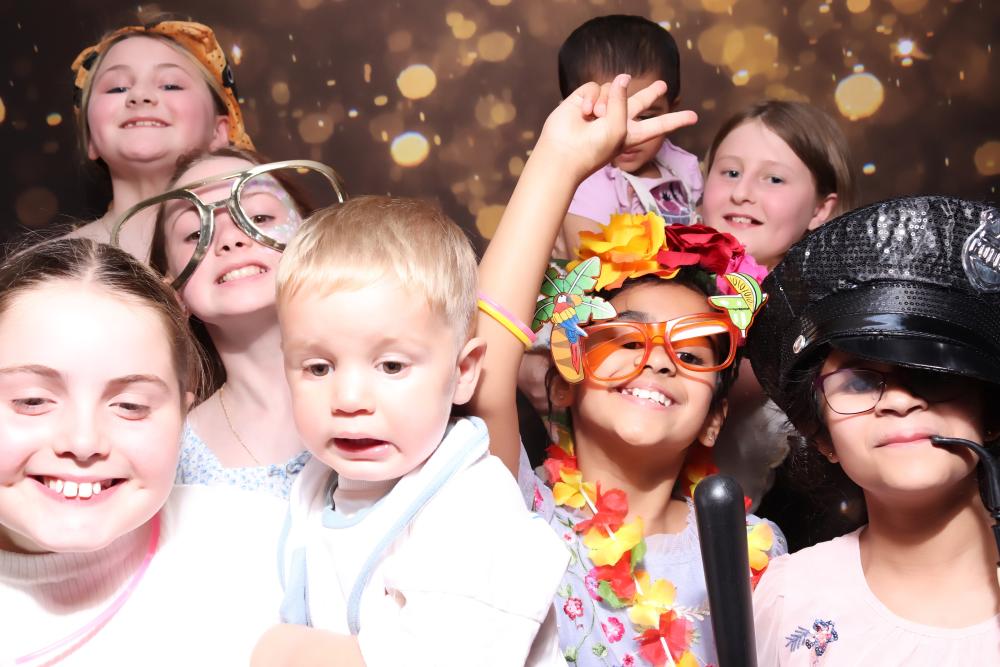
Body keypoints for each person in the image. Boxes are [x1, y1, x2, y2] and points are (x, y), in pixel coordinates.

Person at [474, 74, 786, 666]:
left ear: (714, 418)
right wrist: (557, 162)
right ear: (564, 381)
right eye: (625, 338)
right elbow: (484, 357)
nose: (660, 359)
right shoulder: (518, 510)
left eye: (691, 354)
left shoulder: (759, 550)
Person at [250, 196, 570, 666]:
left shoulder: (475, 506)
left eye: (392, 366)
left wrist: (278, 651)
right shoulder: (314, 488)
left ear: (463, 372)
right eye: (318, 367)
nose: (349, 399)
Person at [0, 238, 285, 664]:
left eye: (130, 406)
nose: (83, 442)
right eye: (32, 401)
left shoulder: (273, 546)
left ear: (182, 417)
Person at [748, 196, 1000, 663]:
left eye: (930, 372)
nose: (901, 401)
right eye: (859, 382)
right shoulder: (786, 599)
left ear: (991, 412)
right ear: (822, 436)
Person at [116, 147, 345, 498]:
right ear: (172, 290)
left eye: (260, 217)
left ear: (315, 241)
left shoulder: (399, 388)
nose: (230, 239)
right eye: (195, 234)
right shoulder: (169, 452)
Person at [700, 100, 858, 510]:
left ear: (821, 209)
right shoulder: (655, 274)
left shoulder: (808, 320)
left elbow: (715, 389)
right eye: (730, 172)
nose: (741, 193)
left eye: (773, 179)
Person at [68, 19, 253, 259]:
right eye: (117, 88)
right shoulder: (53, 267)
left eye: (170, 85)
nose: (140, 95)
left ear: (218, 132)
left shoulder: (269, 246)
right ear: (91, 139)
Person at [553, 14, 702, 259]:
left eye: (645, 117)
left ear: (670, 109)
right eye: (604, 116)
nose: (625, 133)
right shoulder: (585, 183)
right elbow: (590, 268)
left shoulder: (683, 165)